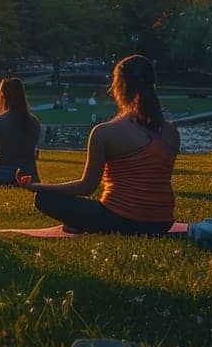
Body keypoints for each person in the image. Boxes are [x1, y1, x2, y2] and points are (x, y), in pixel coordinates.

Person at [21, 56, 178, 234]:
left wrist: (36, 186)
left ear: (119, 87)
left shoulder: (104, 132)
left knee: (44, 199)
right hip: (163, 223)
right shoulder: (171, 132)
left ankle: (81, 224)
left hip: (121, 220)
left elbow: (86, 187)